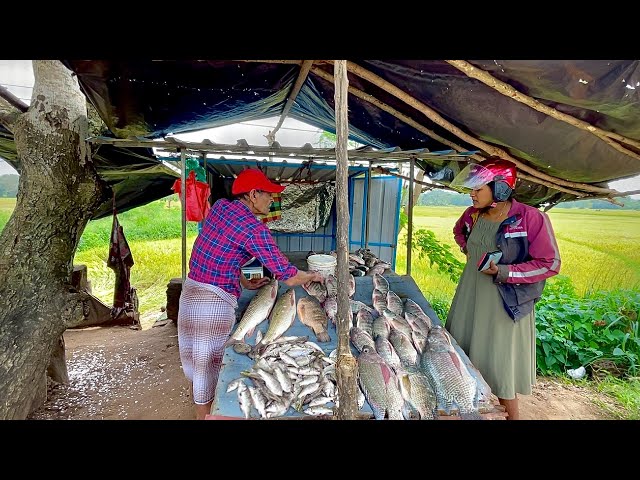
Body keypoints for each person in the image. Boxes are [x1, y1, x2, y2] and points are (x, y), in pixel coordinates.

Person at [177, 168, 325, 420]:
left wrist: (245, 280)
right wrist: (313, 275)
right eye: (269, 195)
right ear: (254, 194)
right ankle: (206, 416)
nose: (273, 200)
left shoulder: (222, 207)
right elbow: (287, 274)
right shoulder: (253, 228)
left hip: (191, 293)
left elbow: (221, 249)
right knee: (210, 369)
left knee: (196, 363)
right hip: (211, 304)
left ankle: (203, 409)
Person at [445, 157, 561, 420]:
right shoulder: (472, 215)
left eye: (478, 188)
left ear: (500, 189)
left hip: (504, 303)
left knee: (499, 370)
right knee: (462, 363)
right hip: (470, 297)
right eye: (472, 188)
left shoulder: (529, 218)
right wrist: (469, 251)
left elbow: (550, 263)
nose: (472, 194)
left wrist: (506, 271)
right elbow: (459, 232)